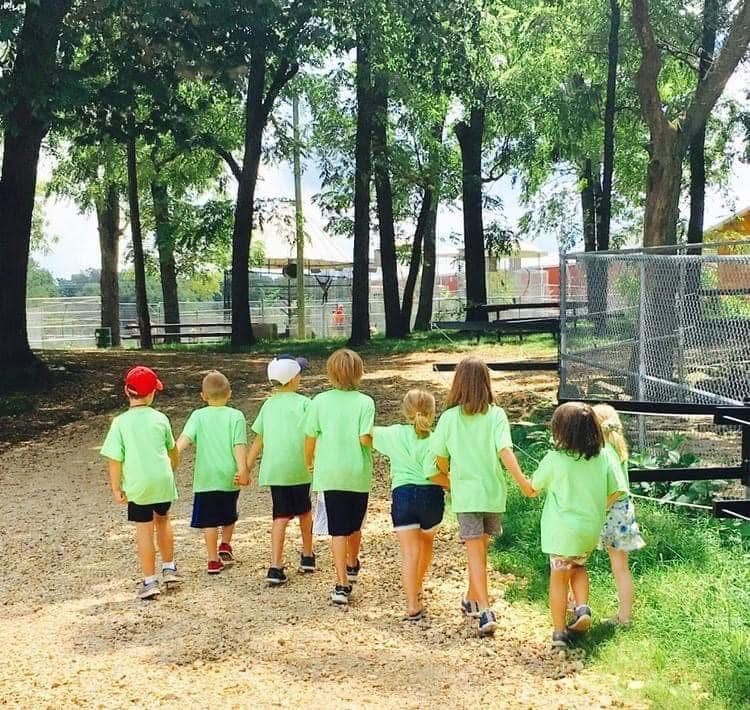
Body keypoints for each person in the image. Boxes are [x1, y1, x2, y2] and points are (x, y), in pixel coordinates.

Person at [428, 357, 529, 637]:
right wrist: (523, 482)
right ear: (486, 382)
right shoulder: (496, 415)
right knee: (480, 550)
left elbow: (439, 456)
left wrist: (449, 477)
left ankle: (483, 608)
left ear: (458, 383)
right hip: (492, 493)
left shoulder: (449, 418)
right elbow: (505, 451)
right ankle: (474, 600)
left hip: (467, 494)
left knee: (475, 552)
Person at [516, 402, 624, 650]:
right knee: (578, 567)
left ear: (560, 431)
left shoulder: (555, 459)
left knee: (559, 577)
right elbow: (617, 490)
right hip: (588, 531)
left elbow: (533, 489)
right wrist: (597, 507)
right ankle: (582, 607)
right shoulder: (604, 455)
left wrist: (520, 478)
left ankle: (559, 632)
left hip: (561, 533)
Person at [101, 366, 182, 599]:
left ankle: (149, 581)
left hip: (138, 484)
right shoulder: (160, 418)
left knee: (144, 529)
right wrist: (170, 468)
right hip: (162, 480)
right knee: (163, 521)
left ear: (127, 391)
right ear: (152, 394)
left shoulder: (120, 423)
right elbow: (173, 450)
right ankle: (169, 568)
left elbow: (115, 459)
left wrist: (116, 487)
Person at [304, 349, 375, 605]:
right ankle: (353, 561)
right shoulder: (366, 402)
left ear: (330, 373)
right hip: (357, 473)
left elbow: (310, 437)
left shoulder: (319, 401)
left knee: (337, 529)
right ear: (359, 373)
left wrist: (309, 461)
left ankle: (341, 582)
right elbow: (365, 439)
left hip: (330, 473)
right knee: (355, 523)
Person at [373, 389, 444, 621]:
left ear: (404, 411)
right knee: (426, 543)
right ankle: (418, 585)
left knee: (409, 552)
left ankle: (412, 603)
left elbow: (365, 434)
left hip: (403, 496)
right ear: (433, 413)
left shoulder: (392, 434)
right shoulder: (437, 439)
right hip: (431, 496)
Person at [247, 355, 315, 585]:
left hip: (276, 470)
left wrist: (246, 467)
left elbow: (259, 439)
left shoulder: (268, 405)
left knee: (280, 516)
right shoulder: (305, 403)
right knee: (305, 510)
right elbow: (312, 434)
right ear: (295, 379)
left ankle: (275, 565)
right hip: (300, 467)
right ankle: (307, 555)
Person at [177, 371, 249, 575]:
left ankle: (212, 559)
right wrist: (243, 469)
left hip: (206, 476)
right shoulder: (236, 416)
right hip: (229, 474)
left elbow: (185, 439)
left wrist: (171, 454)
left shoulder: (198, 416)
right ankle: (225, 544)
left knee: (209, 519)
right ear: (230, 394)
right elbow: (239, 445)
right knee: (229, 512)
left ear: (203, 396)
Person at [593, 404, 645, 626]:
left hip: (612, 512)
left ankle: (623, 617)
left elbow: (618, 488)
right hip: (623, 512)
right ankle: (624, 615)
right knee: (620, 567)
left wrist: (600, 507)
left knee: (616, 566)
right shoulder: (618, 449)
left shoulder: (605, 452)